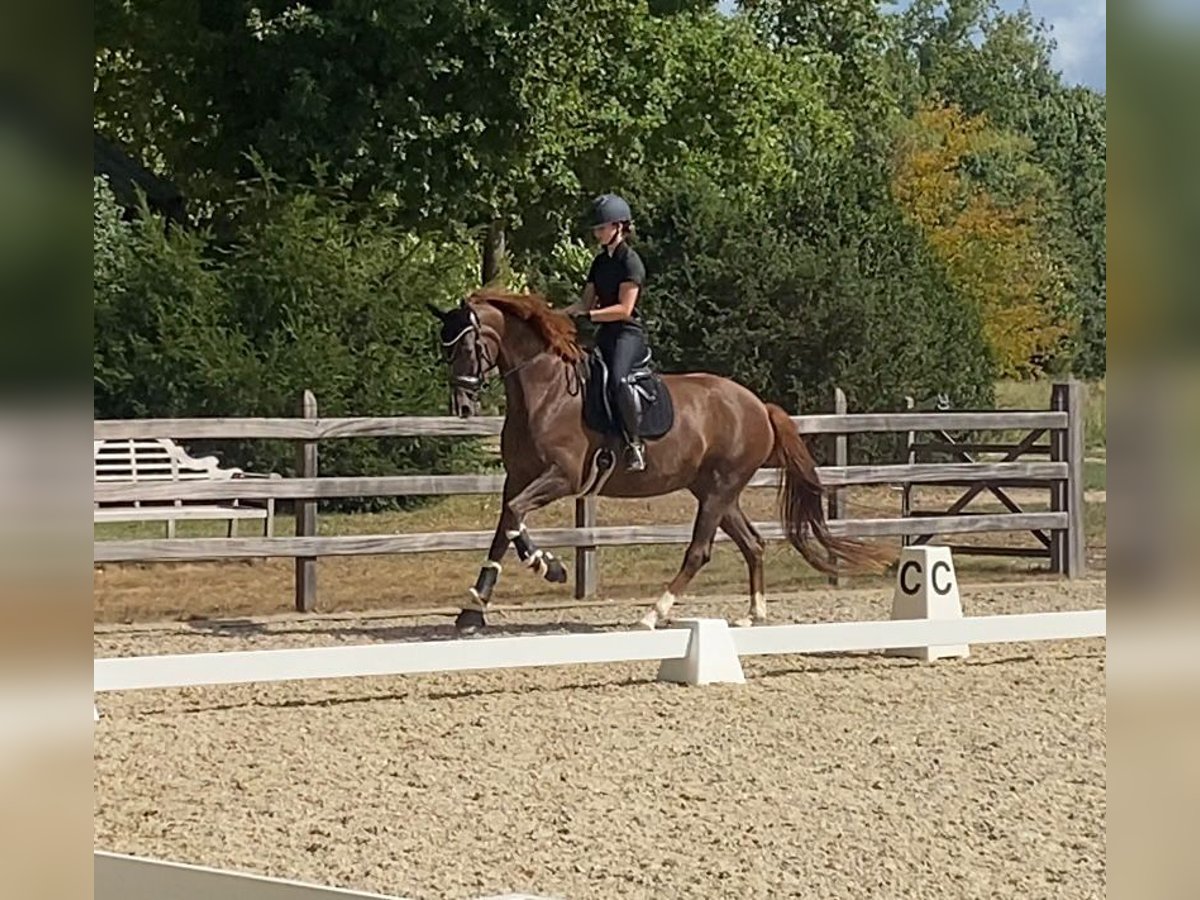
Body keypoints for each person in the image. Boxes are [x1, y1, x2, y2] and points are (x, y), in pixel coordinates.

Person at [565, 193, 652, 471]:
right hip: (605, 332)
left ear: (619, 227)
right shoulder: (600, 262)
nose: (597, 233)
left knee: (618, 379)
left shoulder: (631, 262)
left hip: (627, 334)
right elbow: (583, 302)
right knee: (586, 378)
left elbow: (624, 309)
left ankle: (634, 444)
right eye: (596, 228)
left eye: (601, 227)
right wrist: (553, 314)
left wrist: (589, 315)